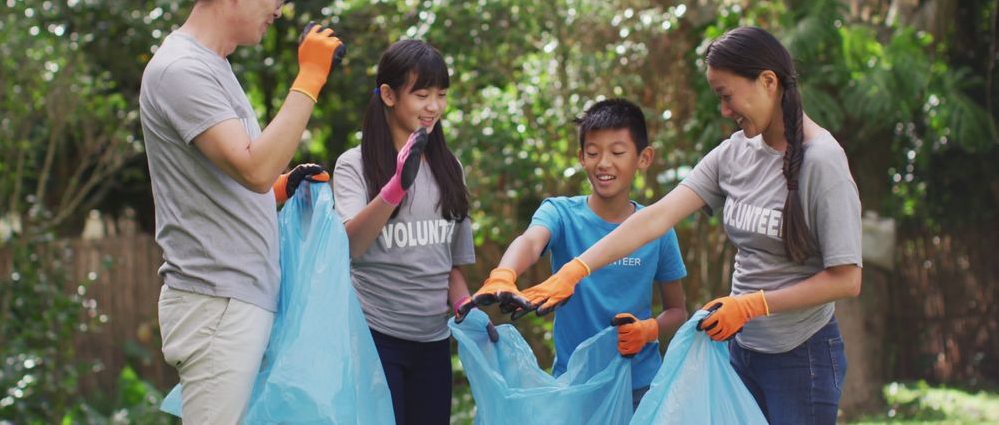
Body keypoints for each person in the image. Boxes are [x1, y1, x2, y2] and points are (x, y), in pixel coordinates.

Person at [516, 27, 863, 424]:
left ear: (768, 82)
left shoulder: (823, 160)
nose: (725, 110)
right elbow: (657, 217)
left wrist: (754, 304)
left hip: (802, 357)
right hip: (740, 350)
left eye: (726, 95)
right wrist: (576, 270)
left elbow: (846, 279)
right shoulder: (734, 153)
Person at [139, 0, 345, 425]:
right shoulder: (181, 69)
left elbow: (243, 180)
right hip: (217, 304)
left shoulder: (214, 67)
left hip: (235, 298)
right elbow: (252, 168)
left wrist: (279, 189)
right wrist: (311, 77)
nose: (280, 8)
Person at [457, 98, 687, 409]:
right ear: (581, 157)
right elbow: (531, 240)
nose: (604, 163)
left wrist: (649, 331)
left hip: (640, 387)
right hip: (574, 386)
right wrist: (503, 274)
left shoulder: (657, 228)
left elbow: (678, 310)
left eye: (617, 152)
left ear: (644, 158)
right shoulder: (561, 214)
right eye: (593, 153)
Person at [332, 39, 475, 425]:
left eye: (441, 95)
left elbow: (451, 267)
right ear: (388, 95)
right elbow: (349, 246)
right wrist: (394, 188)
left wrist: (468, 310)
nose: (434, 107)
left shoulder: (450, 168)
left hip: (433, 341)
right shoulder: (353, 165)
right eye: (422, 94)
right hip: (374, 338)